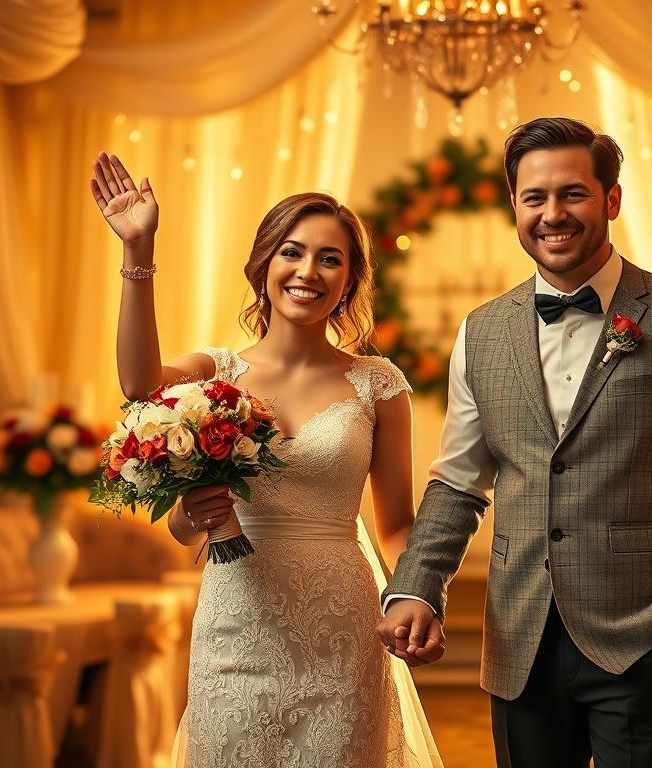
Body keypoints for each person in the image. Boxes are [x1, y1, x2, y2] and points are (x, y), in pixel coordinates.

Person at [377, 117, 652, 767]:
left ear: (611, 199)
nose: (552, 214)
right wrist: (416, 586)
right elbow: (458, 482)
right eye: (534, 197)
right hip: (519, 639)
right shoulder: (481, 331)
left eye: (573, 194)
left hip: (645, 637)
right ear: (515, 206)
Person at [89, 152, 442, 768]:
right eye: (293, 252)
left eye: (330, 258)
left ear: (350, 280)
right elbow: (138, 384)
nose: (308, 271)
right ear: (264, 265)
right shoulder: (215, 373)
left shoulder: (380, 385)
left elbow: (395, 526)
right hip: (236, 627)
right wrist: (137, 248)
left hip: (342, 629)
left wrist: (418, 596)